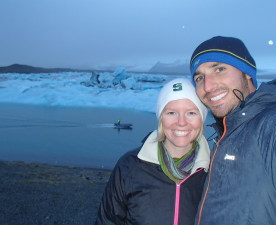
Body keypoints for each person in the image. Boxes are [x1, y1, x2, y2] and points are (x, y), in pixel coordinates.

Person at [95, 78, 210, 225]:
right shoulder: (130, 166)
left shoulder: (214, 170)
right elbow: (108, 221)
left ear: (202, 118)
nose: (181, 122)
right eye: (171, 113)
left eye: (191, 113)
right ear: (161, 118)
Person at [190, 36, 276, 225]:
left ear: (247, 73)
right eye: (199, 77)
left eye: (219, 69)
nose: (207, 86)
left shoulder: (269, 125)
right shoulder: (226, 134)